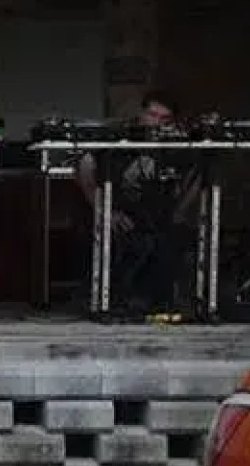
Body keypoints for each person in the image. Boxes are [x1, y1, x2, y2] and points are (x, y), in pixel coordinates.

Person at [73, 92, 201, 314]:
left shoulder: (177, 145)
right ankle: (113, 301)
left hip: (158, 216)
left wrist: (180, 211)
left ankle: (157, 303)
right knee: (130, 244)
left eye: (164, 119)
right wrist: (105, 210)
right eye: (152, 115)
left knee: (169, 242)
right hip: (120, 212)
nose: (157, 123)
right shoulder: (120, 136)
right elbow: (84, 164)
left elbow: (200, 172)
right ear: (142, 114)